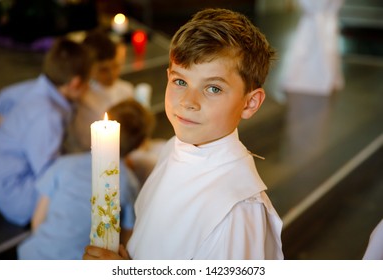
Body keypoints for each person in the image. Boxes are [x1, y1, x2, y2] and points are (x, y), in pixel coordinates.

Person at [84, 8, 283, 260]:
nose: (189, 102)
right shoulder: (173, 147)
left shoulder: (236, 212)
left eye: (213, 88)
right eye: (180, 82)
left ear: (250, 103)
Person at [17, 99, 155, 259]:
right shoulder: (128, 183)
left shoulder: (64, 164)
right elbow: (127, 238)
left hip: (36, 254)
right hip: (87, 259)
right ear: (138, 144)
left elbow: (38, 221)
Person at [0, 37, 93, 226]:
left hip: (9, 175)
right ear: (75, 83)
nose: (90, 88)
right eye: (89, 82)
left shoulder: (42, 86)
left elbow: (4, 97)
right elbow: (48, 174)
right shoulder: (47, 116)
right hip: (16, 194)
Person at [66, 29, 135, 153]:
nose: (112, 74)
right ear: (89, 68)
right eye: (103, 70)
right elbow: (83, 142)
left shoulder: (126, 90)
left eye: (115, 66)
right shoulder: (81, 98)